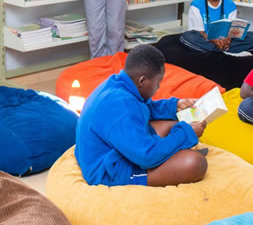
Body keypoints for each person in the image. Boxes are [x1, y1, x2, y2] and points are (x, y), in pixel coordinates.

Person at [75, 45, 208, 187]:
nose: (158, 87)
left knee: (172, 123)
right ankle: (170, 160)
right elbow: (146, 157)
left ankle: (172, 154)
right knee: (196, 163)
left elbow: (144, 108)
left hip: (116, 149)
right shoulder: (123, 109)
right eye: (158, 83)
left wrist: (175, 105)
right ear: (142, 81)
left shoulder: (118, 84)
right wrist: (187, 134)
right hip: (109, 172)